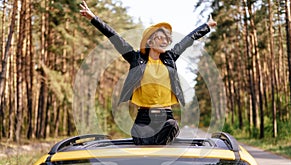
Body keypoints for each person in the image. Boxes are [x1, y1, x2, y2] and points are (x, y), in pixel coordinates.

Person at [79, 1, 217, 145]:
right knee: (140, 141)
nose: (165, 41)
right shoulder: (136, 58)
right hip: (143, 117)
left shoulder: (170, 57)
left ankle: (159, 144)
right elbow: (115, 38)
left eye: (167, 38)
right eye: (160, 38)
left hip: (166, 117)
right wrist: (93, 18)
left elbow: (188, 40)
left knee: (171, 126)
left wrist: (207, 26)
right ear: (150, 42)